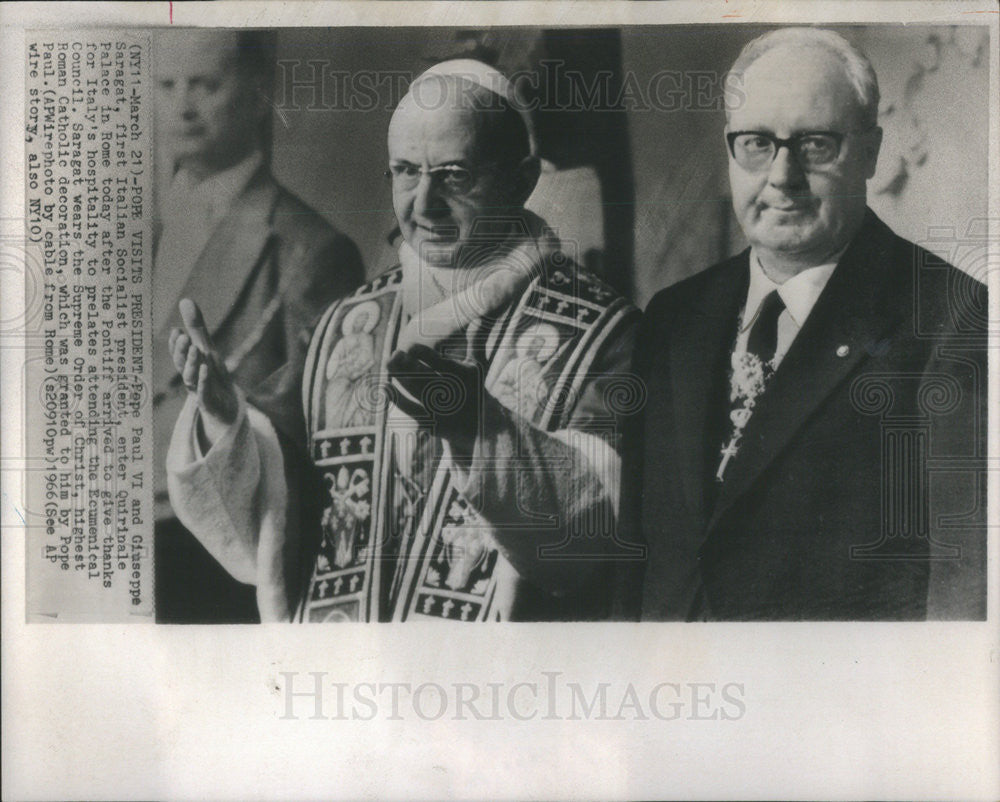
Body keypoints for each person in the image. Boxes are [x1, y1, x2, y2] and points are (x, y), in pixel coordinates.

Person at [165, 60, 639, 622]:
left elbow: (595, 531)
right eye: (407, 172)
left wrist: (479, 432)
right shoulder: (353, 322)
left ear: (522, 179)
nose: (424, 203)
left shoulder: (602, 331)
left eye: (454, 174)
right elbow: (274, 498)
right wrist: (223, 422)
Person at [624, 28, 988, 621]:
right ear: (729, 151)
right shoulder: (673, 317)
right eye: (756, 145)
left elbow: (963, 590)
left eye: (816, 145)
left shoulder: (952, 318)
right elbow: (635, 555)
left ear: (869, 153)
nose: (782, 176)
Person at [151, 29, 365, 622]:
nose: (182, 105)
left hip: (208, 561)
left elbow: (325, 437)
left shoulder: (311, 249)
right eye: (166, 85)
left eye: (205, 84)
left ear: (258, 92)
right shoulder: (127, 225)